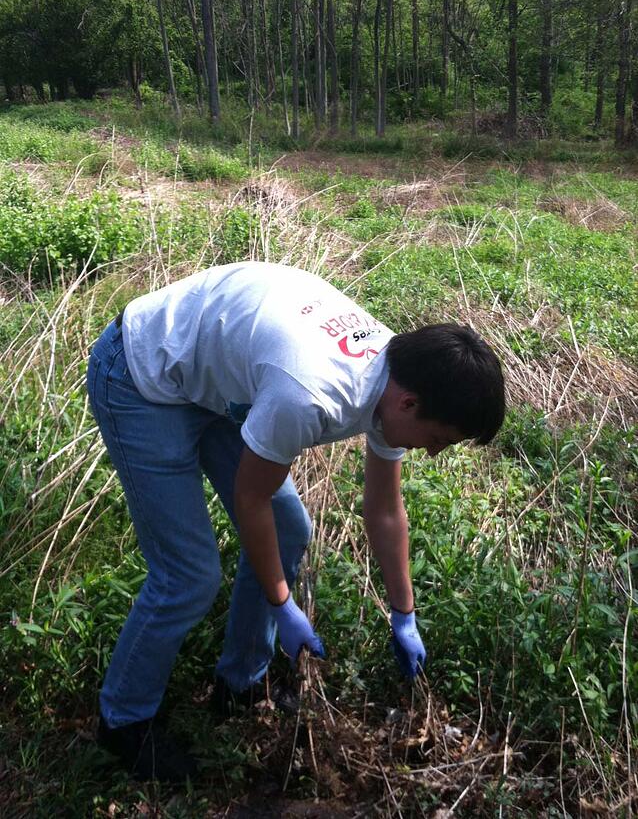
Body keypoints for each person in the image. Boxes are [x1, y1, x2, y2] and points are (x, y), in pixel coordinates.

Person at [87, 261, 505, 782]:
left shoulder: (398, 376)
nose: (433, 452)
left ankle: (241, 682)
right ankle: (124, 721)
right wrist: (283, 604)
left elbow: (384, 509)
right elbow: (251, 498)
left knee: (290, 530)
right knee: (188, 576)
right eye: (439, 440)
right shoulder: (309, 394)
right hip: (142, 373)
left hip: (212, 378)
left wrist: (404, 614)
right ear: (410, 402)